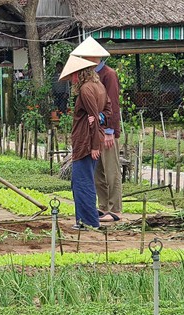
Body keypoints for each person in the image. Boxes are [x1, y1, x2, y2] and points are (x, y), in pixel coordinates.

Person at [71, 36, 122, 222]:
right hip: (96, 131)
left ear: (93, 58)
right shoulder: (94, 80)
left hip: (105, 131)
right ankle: (103, 207)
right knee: (98, 172)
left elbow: (113, 105)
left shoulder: (108, 75)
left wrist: (109, 130)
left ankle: (115, 209)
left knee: (110, 170)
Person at [59, 55, 112, 230]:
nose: (72, 79)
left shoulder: (86, 89)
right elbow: (107, 111)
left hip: (86, 141)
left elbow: (95, 117)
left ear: (80, 73)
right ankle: (85, 219)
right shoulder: (99, 86)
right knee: (81, 181)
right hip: (90, 139)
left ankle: (87, 221)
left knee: (82, 182)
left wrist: (95, 144)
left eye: (74, 75)